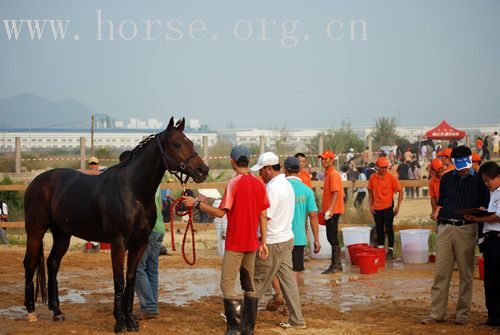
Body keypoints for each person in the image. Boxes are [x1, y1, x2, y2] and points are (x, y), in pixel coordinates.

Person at [184, 145, 269, 335]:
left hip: (236, 243)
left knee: (227, 285)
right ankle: (248, 329)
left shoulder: (234, 183)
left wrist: (197, 203)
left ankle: (234, 329)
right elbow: (263, 215)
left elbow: (221, 213)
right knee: (249, 284)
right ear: (248, 161)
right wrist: (263, 241)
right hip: (252, 243)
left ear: (233, 162)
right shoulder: (259, 184)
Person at [422, 146, 490, 326]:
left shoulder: (479, 182)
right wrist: (438, 214)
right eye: (460, 162)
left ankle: (462, 315)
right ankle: (437, 313)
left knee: (466, 274)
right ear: (454, 162)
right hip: (445, 227)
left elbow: (485, 207)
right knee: (441, 273)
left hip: (466, 228)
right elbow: (442, 202)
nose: (464, 166)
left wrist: (480, 231)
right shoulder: (446, 179)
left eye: (466, 161)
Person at [250, 152, 306, 329]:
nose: (260, 174)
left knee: (257, 281)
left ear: (268, 168)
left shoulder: (272, 188)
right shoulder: (287, 184)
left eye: (261, 170)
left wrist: (263, 242)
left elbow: (266, 216)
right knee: (289, 282)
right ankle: (297, 320)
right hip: (287, 238)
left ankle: (240, 316)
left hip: (273, 240)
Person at [266, 157, 321, 312]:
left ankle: (278, 294)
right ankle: (290, 302)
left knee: (275, 268)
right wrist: (316, 239)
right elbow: (313, 216)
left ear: (285, 170)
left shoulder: (279, 187)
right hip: (299, 238)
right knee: (294, 271)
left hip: (278, 235)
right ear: (300, 170)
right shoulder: (307, 191)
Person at [463, 162, 500, 327]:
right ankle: (493, 316)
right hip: (490, 238)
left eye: (488, 180)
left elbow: (498, 216)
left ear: (497, 177)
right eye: (484, 181)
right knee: (490, 279)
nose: (487, 184)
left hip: (497, 239)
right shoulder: (494, 193)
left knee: (496, 278)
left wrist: (478, 218)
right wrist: (483, 211)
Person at [368, 157, 403, 260]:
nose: (384, 169)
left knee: (388, 228)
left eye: (385, 167)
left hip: (388, 207)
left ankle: (391, 250)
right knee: (379, 228)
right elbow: (370, 191)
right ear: (377, 167)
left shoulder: (392, 178)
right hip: (376, 208)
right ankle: (380, 249)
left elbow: (400, 191)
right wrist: (370, 204)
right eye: (382, 167)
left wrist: (398, 206)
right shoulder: (372, 177)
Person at [318, 150, 344, 274]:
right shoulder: (329, 174)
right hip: (331, 210)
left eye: (326, 159)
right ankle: (336, 265)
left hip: (333, 211)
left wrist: (330, 209)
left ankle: (336, 265)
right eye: (322, 159)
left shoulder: (333, 174)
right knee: (332, 237)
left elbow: (335, 192)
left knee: (332, 237)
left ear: (332, 160)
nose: (323, 161)